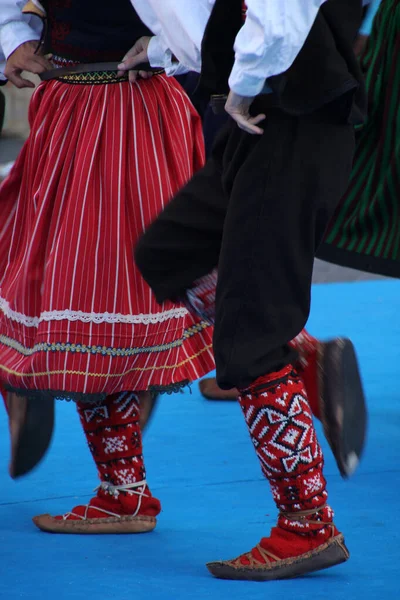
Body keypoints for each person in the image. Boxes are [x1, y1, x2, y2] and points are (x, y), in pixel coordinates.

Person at [121, 0, 367, 580]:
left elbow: (282, 8)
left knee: (247, 340)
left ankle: (308, 523)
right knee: (168, 251)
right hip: (255, 123)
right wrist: (161, 49)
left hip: (290, 124)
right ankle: (302, 357)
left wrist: (245, 81)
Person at [0, 0, 215, 533]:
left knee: (94, 291)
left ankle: (299, 358)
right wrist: (12, 38)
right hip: (72, 107)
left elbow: (198, 18)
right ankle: (122, 488)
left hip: (126, 113)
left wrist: (166, 46)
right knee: (87, 291)